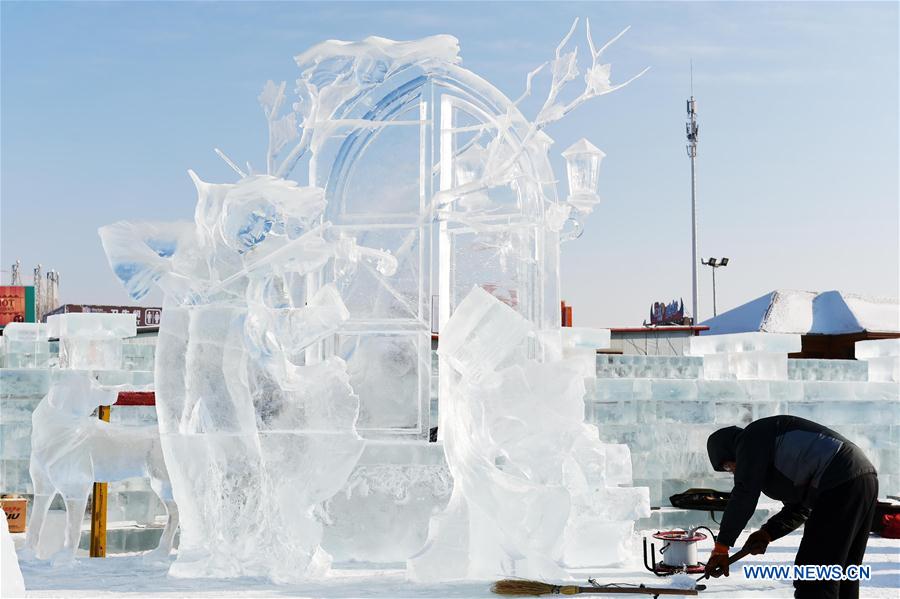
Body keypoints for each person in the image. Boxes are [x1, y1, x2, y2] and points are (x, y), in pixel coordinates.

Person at [704, 415, 878, 599]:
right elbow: (800, 508)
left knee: (813, 574)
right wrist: (768, 533)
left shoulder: (750, 439)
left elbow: (744, 494)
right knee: (842, 572)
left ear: (729, 450)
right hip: (861, 479)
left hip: (838, 481)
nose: (733, 472)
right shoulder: (770, 450)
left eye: (728, 466)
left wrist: (721, 546)